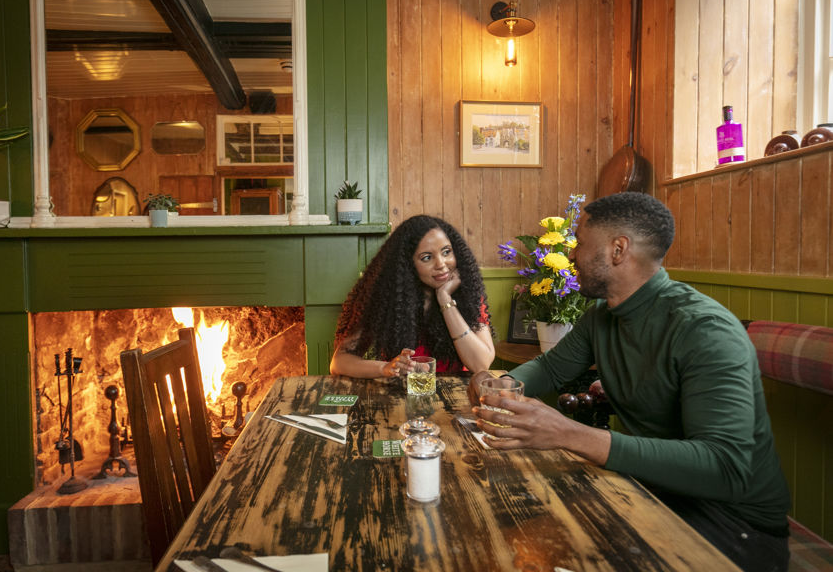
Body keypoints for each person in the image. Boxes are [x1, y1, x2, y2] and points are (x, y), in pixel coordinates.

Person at [469, 192, 790, 572]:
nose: (571, 255)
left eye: (580, 243)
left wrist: (567, 433)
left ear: (617, 249)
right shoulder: (601, 317)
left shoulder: (704, 329)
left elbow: (725, 468)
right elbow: (551, 369)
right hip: (648, 492)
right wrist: (499, 383)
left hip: (731, 527)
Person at [330, 214, 495, 378]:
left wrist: (445, 299)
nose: (441, 264)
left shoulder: (467, 294)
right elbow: (339, 362)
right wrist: (386, 368)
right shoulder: (387, 300)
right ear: (408, 265)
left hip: (457, 394)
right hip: (403, 395)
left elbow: (481, 364)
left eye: (446, 252)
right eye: (427, 258)